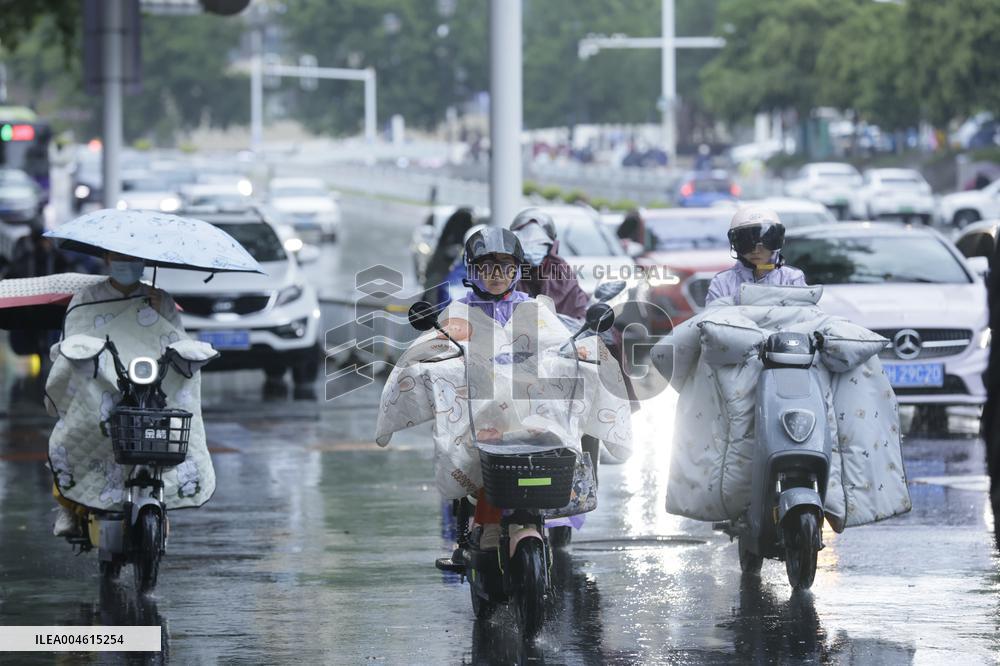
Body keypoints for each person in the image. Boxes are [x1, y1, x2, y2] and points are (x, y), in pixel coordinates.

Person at [50, 251, 188, 536]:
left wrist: (156, 314)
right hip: (99, 379)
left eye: (134, 258)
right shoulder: (86, 297)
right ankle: (68, 505)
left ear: (144, 262)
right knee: (71, 433)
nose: (126, 263)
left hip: (149, 383)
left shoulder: (161, 298)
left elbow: (177, 340)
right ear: (107, 260)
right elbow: (74, 336)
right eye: (119, 257)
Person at [705, 207, 807, 306]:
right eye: (747, 243)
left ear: (776, 242)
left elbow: (806, 316)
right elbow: (713, 317)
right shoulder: (722, 282)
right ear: (736, 244)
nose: (756, 251)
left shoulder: (792, 278)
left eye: (765, 243)